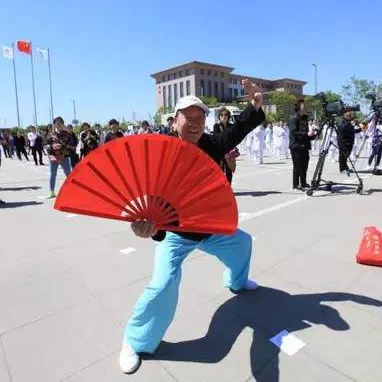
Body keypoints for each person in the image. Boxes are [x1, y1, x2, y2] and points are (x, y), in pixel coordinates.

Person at [119, 80, 265, 374]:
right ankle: (134, 341)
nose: (196, 123)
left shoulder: (211, 144)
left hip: (210, 228)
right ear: (174, 121)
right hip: (177, 234)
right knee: (162, 285)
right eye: (189, 117)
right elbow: (152, 203)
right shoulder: (161, 153)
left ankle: (236, 282)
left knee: (242, 243)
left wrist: (255, 105)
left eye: (200, 117)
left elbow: (238, 131)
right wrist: (151, 229)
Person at [288, 99, 316, 190]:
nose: (305, 107)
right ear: (299, 107)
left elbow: (305, 133)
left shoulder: (305, 118)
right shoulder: (293, 118)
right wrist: (306, 134)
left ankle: (303, 183)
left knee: (304, 165)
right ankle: (296, 184)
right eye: (303, 105)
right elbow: (294, 133)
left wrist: (313, 135)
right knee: (297, 166)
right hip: (296, 146)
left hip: (304, 146)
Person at [45, 117, 73, 199]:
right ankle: (52, 191)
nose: (59, 124)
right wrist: (51, 146)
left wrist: (63, 145)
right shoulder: (50, 134)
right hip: (54, 157)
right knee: (53, 175)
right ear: (54, 124)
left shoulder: (67, 134)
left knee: (68, 174)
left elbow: (72, 145)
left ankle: (73, 190)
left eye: (60, 123)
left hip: (64, 157)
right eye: (57, 123)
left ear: (63, 124)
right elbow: (46, 145)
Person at [213, 107, 237, 183]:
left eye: (225, 114)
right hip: (220, 152)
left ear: (228, 116)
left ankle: (228, 187)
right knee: (219, 171)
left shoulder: (232, 126)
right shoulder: (216, 126)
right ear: (219, 117)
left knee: (229, 171)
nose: (223, 116)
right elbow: (216, 138)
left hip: (229, 152)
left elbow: (234, 138)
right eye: (221, 115)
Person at [337, 110, 355, 174]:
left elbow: (352, 131)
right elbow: (341, 128)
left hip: (349, 141)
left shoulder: (348, 122)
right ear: (345, 114)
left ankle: (345, 167)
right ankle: (342, 169)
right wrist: (349, 124)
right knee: (342, 155)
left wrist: (360, 129)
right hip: (343, 141)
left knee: (346, 156)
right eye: (349, 115)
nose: (350, 116)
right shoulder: (342, 121)